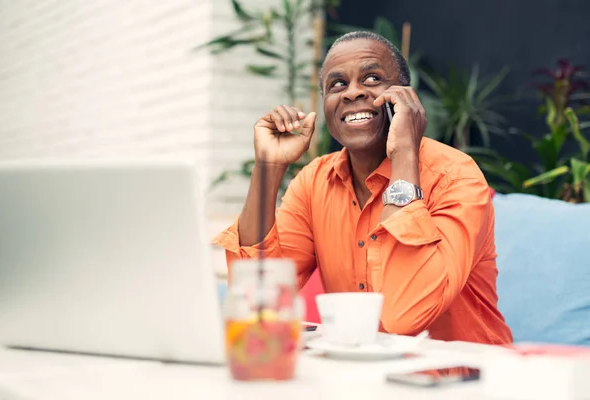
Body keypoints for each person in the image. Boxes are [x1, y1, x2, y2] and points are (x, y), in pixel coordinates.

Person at [213, 31, 513, 344]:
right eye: (337, 84)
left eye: (371, 78)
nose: (352, 92)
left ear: (406, 97)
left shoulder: (456, 176)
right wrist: (268, 168)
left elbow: (403, 314)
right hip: (361, 372)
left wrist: (404, 155)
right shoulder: (313, 182)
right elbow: (259, 294)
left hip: (462, 378)